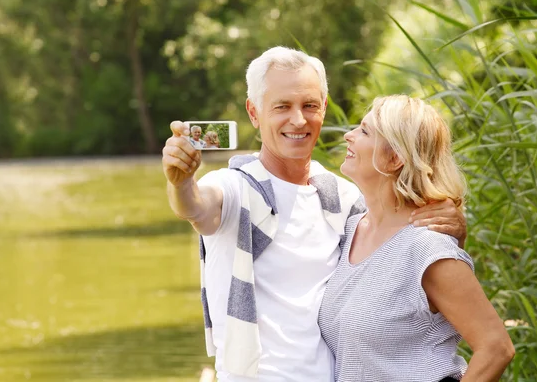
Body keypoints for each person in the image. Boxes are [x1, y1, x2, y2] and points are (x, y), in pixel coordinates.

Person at [161, 47, 467, 381]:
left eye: (309, 105)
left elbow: (407, 255)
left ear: (323, 107)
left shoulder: (344, 196)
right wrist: (180, 182)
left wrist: (454, 228)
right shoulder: (234, 187)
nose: (298, 119)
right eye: (282, 107)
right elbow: (195, 207)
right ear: (254, 112)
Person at [318, 95, 514, 382]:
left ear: (394, 158)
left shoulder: (428, 247)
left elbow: (496, 348)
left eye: (364, 131)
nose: (349, 136)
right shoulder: (349, 230)